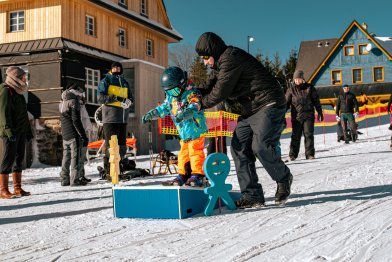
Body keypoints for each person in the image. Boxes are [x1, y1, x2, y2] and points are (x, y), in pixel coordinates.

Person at [195, 32, 292, 207]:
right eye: (202, 58)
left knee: (260, 145)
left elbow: (221, 90)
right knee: (239, 147)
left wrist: (201, 104)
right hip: (251, 108)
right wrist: (195, 93)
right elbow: (210, 83)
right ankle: (252, 195)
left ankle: (283, 178)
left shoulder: (231, 58)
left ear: (214, 52)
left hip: (269, 102)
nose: (205, 61)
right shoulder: (220, 64)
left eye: (206, 57)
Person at [142, 66, 208, 187]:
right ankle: (183, 175)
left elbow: (195, 104)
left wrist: (185, 113)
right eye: (169, 91)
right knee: (183, 154)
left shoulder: (192, 93)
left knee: (195, 152)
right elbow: (164, 108)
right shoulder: (171, 98)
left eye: (175, 91)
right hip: (184, 133)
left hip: (196, 130)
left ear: (182, 84)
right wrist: (152, 114)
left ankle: (198, 175)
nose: (173, 94)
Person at [0, 66, 33, 199]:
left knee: (18, 160)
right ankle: (3, 190)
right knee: (8, 159)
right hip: (9, 132)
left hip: (20, 131)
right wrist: (9, 131)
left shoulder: (18, 93)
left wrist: (28, 131)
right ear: (15, 78)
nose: (25, 79)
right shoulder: (6, 91)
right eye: (23, 77)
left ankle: (17, 188)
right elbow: (3, 113)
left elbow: (24, 115)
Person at [97, 62, 133, 180]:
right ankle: (109, 172)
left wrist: (129, 101)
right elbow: (100, 98)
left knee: (122, 148)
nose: (116, 69)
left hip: (123, 119)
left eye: (118, 67)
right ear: (111, 69)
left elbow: (131, 97)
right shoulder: (106, 81)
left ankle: (118, 170)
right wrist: (113, 97)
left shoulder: (124, 82)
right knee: (112, 147)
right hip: (110, 119)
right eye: (114, 67)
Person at [285, 70, 323, 161]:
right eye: (296, 79)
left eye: (299, 79)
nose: (297, 81)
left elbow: (316, 101)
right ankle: (292, 155)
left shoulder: (309, 88)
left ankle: (310, 154)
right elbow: (286, 104)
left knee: (308, 135)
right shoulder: (291, 90)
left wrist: (320, 112)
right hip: (297, 117)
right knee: (295, 136)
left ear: (303, 79)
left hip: (308, 116)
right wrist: (281, 114)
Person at [59, 83, 89, 186]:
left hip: (65, 135)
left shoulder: (62, 102)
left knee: (66, 157)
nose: (81, 96)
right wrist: (83, 135)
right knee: (75, 158)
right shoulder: (73, 102)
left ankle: (64, 179)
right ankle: (75, 180)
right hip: (73, 135)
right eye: (80, 93)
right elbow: (76, 120)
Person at [79, 95, 93, 183]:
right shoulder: (78, 106)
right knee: (80, 156)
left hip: (81, 132)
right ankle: (79, 176)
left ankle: (81, 175)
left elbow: (86, 119)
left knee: (81, 156)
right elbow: (84, 119)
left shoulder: (81, 106)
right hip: (80, 133)